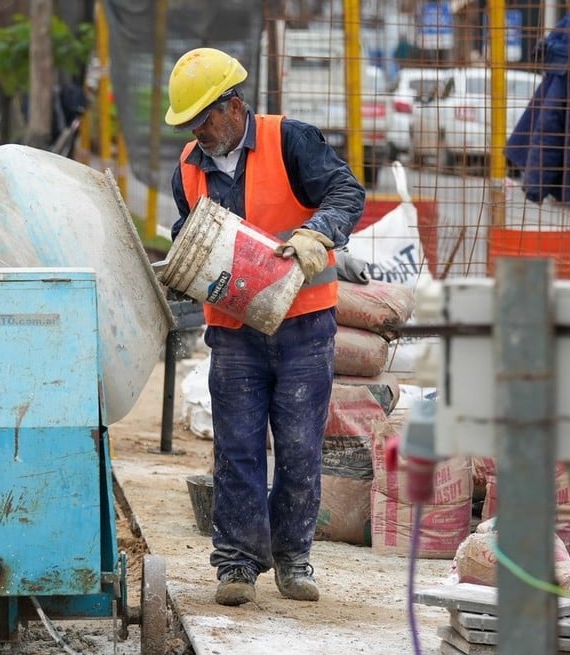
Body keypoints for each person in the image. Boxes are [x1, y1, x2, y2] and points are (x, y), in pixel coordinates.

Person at [165, 47, 365, 607]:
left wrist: (319, 231)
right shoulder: (187, 167)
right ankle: (235, 563)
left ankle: (293, 558)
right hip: (232, 330)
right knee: (237, 448)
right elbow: (193, 229)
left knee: (300, 447)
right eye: (189, 124)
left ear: (234, 106)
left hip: (303, 324)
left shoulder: (290, 139)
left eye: (205, 119)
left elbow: (347, 193)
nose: (199, 133)